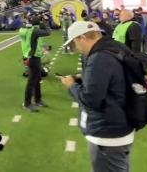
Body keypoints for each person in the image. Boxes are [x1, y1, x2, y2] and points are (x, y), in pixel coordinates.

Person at [56, 21, 134, 172]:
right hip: (121, 125)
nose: (76, 47)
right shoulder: (115, 47)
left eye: (75, 42)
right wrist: (83, 79)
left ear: (83, 38)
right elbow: (111, 80)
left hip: (108, 133)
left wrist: (71, 85)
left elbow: (90, 99)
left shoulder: (99, 58)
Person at [19, 14, 51, 112]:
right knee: (32, 81)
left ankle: (37, 99)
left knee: (37, 79)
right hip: (33, 57)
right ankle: (27, 103)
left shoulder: (29, 30)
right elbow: (48, 32)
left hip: (32, 56)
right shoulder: (35, 30)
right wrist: (44, 24)